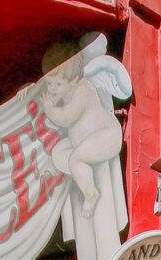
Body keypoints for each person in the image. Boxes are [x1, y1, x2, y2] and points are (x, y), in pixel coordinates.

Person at [42, 41, 125, 218]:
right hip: (90, 140)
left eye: (57, 84)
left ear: (73, 81)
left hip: (106, 136)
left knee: (76, 160)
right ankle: (85, 185)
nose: (52, 90)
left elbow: (66, 118)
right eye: (49, 84)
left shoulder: (83, 90)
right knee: (66, 155)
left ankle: (91, 194)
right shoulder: (68, 91)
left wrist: (49, 109)